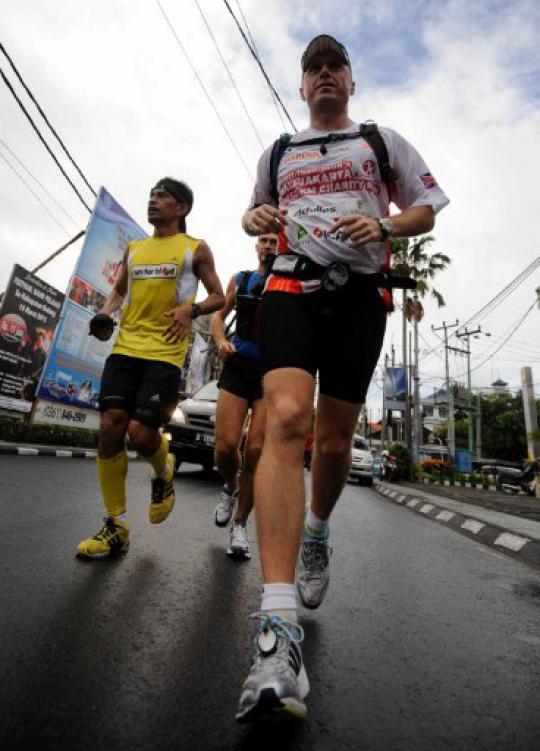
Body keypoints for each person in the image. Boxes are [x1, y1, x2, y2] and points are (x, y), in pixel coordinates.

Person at [235, 35, 450, 721]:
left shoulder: (381, 143)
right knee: (289, 421)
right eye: (313, 68)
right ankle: (276, 633)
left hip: (359, 297)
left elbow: (424, 208)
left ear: (350, 82)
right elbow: (251, 214)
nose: (324, 74)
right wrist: (257, 218)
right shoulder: (280, 152)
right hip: (290, 289)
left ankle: (318, 533)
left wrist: (384, 228)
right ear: (302, 88)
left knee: (331, 444)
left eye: (335, 66)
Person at [76, 178, 225, 559]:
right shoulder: (135, 248)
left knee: (142, 435)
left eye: (162, 196)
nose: (153, 201)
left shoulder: (195, 249)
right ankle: (116, 525)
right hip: (126, 347)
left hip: (165, 354)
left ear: (182, 208)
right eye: (151, 196)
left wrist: (191, 310)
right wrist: (106, 314)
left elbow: (218, 296)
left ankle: (164, 469)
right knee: (111, 425)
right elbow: (120, 292)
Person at [210, 234, 278, 560]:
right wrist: (221, 340)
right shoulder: (241, 279)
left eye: (275, 241)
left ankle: (240, 525)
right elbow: (217, 317)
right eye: (264, 240)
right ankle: (230, 487)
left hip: (270, 372)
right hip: (238, 365)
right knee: (224, 447)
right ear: (257, 246)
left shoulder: (290, 283)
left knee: (255, 449)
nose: (269, 246)